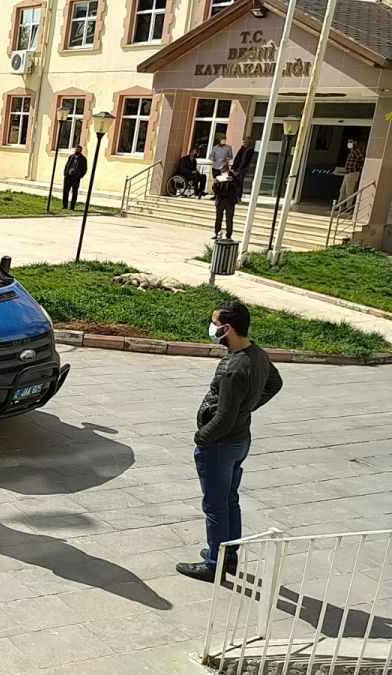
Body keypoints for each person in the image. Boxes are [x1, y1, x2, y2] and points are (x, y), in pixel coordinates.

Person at [177, 301, 283, 582]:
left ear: (228, 328)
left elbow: (223, 418)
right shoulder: (257, 354)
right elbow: (275, 384)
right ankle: (228, 555)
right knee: (229, 500)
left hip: (220, 446)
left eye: (215, 323)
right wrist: (247, 409)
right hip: (240, 441)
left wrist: (202, 438)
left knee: (215, 505)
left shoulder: (234, 368)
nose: (212, 328)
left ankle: (215, 563)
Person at [212, 169, 241, 239]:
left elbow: (238, 187)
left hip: (230, 201)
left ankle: (229, 235)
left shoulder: (234, 177)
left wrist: (233, 181)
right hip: (220, 200)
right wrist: (215, 183)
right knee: (218, 218)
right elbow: (215, 189)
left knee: (229, 219)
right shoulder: (219, 177)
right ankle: (217, 233)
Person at [339, 138, 365, 212]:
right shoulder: (351, 151)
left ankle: (348, 207)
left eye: (351, 142)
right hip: (347, 173)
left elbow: (362, 160)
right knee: (342, 190)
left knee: (349, 191)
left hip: (352, 173)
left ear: (355, 143)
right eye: (348, 142)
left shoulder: (356, 151)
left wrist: (357, 169)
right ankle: (340, 205)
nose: (349, 144)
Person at [62, 145, 88, 210]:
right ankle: (64, 206)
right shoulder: (71, 157)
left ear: (80, 150)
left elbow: (84, 169)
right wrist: (65, 173)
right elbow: (67, 165)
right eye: (76, 149)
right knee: (65, 191)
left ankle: (72, 207)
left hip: (75, 178)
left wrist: (79, 176)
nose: (77, 150)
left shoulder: (83, 159)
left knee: (74, 192)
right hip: (68, 176)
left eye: (78, 149)